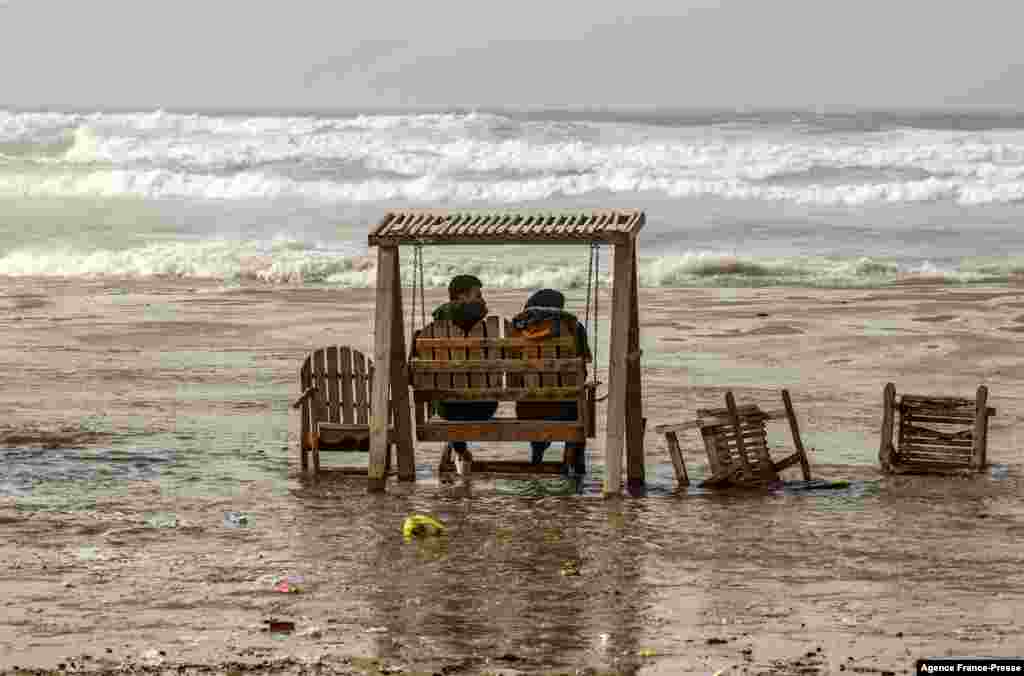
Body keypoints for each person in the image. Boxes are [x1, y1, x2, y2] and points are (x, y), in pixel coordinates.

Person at [511, 288, 590, 475]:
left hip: (528, 410)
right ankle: (574, 466)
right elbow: (582, 370)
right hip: (566, 409)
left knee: (535, 399)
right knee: (576, 404)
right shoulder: (574, 328)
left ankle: (537, 456)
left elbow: (513, 372)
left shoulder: (518, 330)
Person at [429, 274, 498, 461]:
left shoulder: (433, 329)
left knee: (453, 407)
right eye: (477, 295)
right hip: (484, 407)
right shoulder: (487, 329)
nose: (482, 300)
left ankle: (458, 448)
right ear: (461, 297)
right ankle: (459, 448)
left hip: (446, 408)